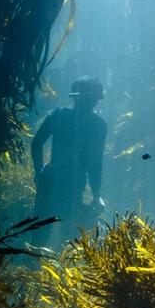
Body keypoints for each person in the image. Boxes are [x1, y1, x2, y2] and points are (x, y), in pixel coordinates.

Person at [31, 75, 108, 238]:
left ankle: (31, 262)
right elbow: (96, 164)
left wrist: (39, 173)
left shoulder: (59, 115)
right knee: (69, 239)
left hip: (50, 180)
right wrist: (96, 195)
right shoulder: (99, 125)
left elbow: (36, 143)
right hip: (74, 186)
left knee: (40, 238)